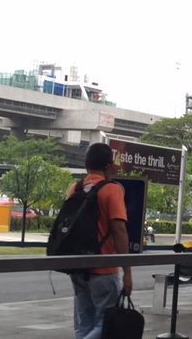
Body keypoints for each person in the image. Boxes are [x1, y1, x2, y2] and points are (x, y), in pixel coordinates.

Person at [69, 142, 132, 339]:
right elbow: (119, 230)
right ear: (109, 166)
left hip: (77, 267)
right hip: (104, 268)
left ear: (86, 163)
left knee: (83, 324)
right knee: (105, 325)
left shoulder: (75, 189)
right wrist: (127, 272)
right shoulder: (111, 190)